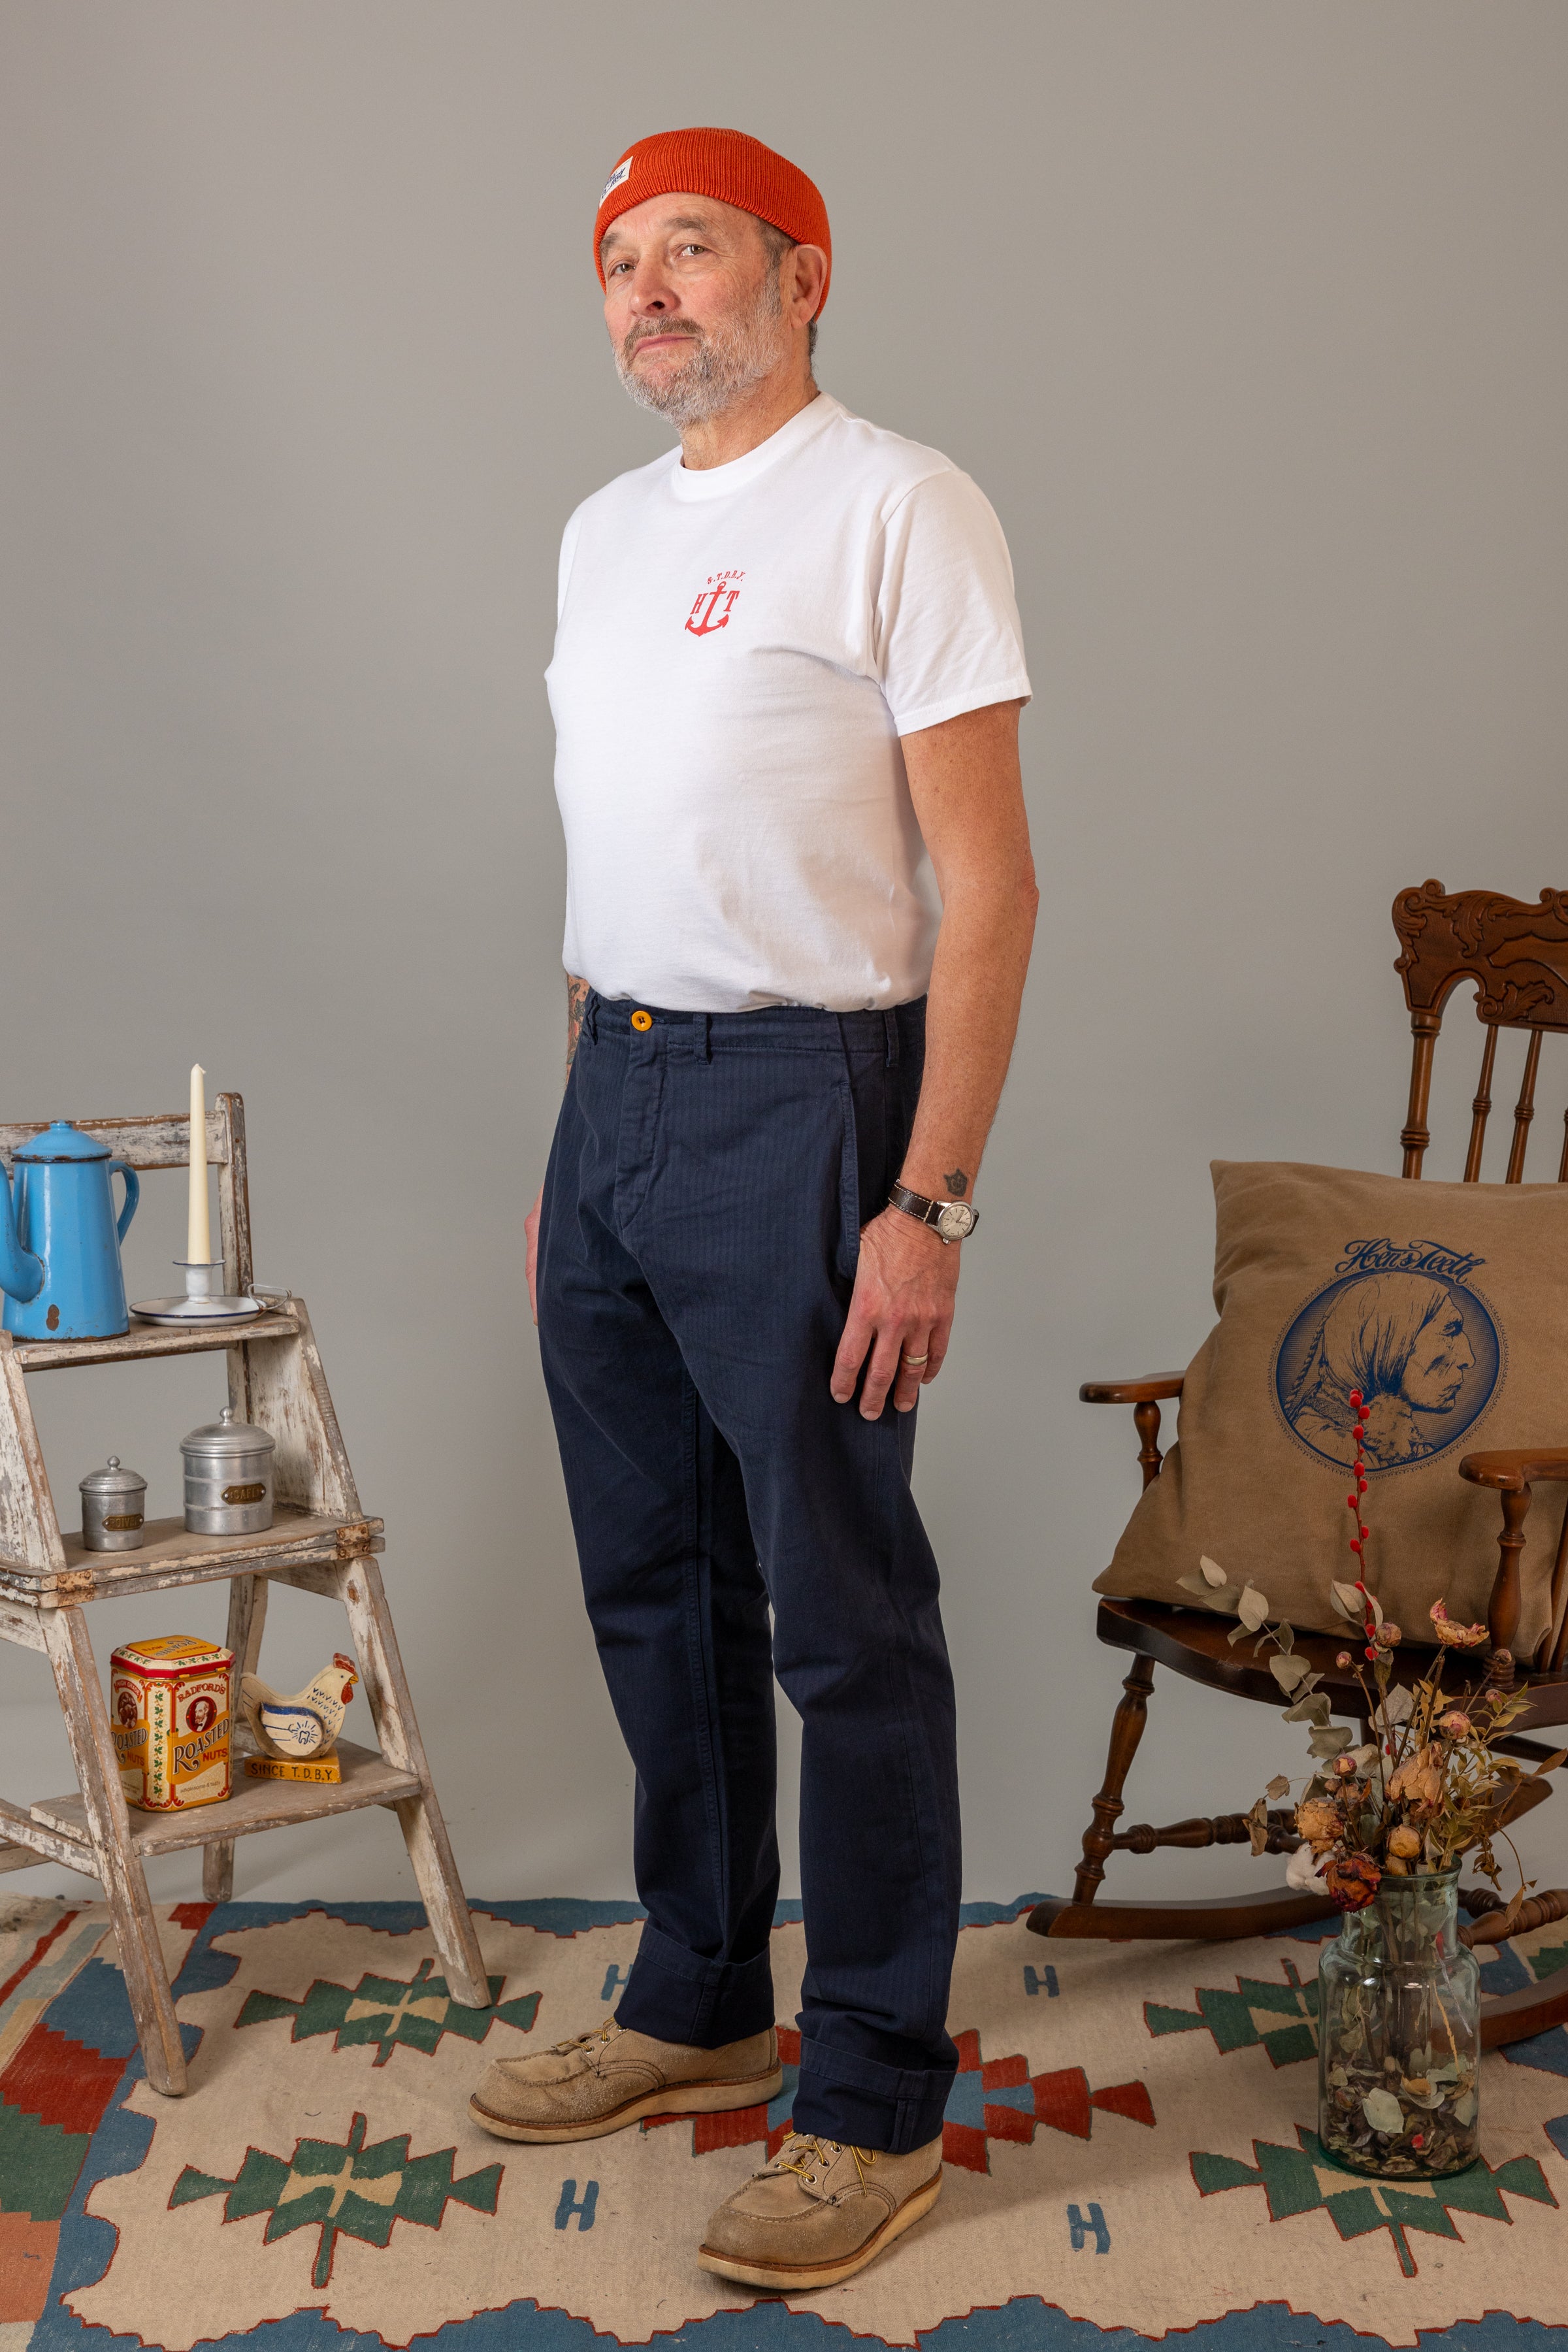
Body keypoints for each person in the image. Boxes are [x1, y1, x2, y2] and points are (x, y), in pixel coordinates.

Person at [469, 126, 1037, 2293]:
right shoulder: (602, 533)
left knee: (840, 1611)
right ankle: (699, 1987)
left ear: (802, 274)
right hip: (613, 1092)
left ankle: (873, 2095)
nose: (646, 291)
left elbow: (993, 887)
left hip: (810, 1100)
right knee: (654, 1583)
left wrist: (930, 1201)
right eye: (617, 260)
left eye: (689, 248)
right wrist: (580, 1146)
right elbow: (627, 846)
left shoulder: (901, 504)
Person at [1284, 1272, 1478, 1467]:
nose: (1469, 1360)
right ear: (1385, 1346)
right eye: (1451, 1331)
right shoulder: (1334, 1448)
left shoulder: (1393, 1442)